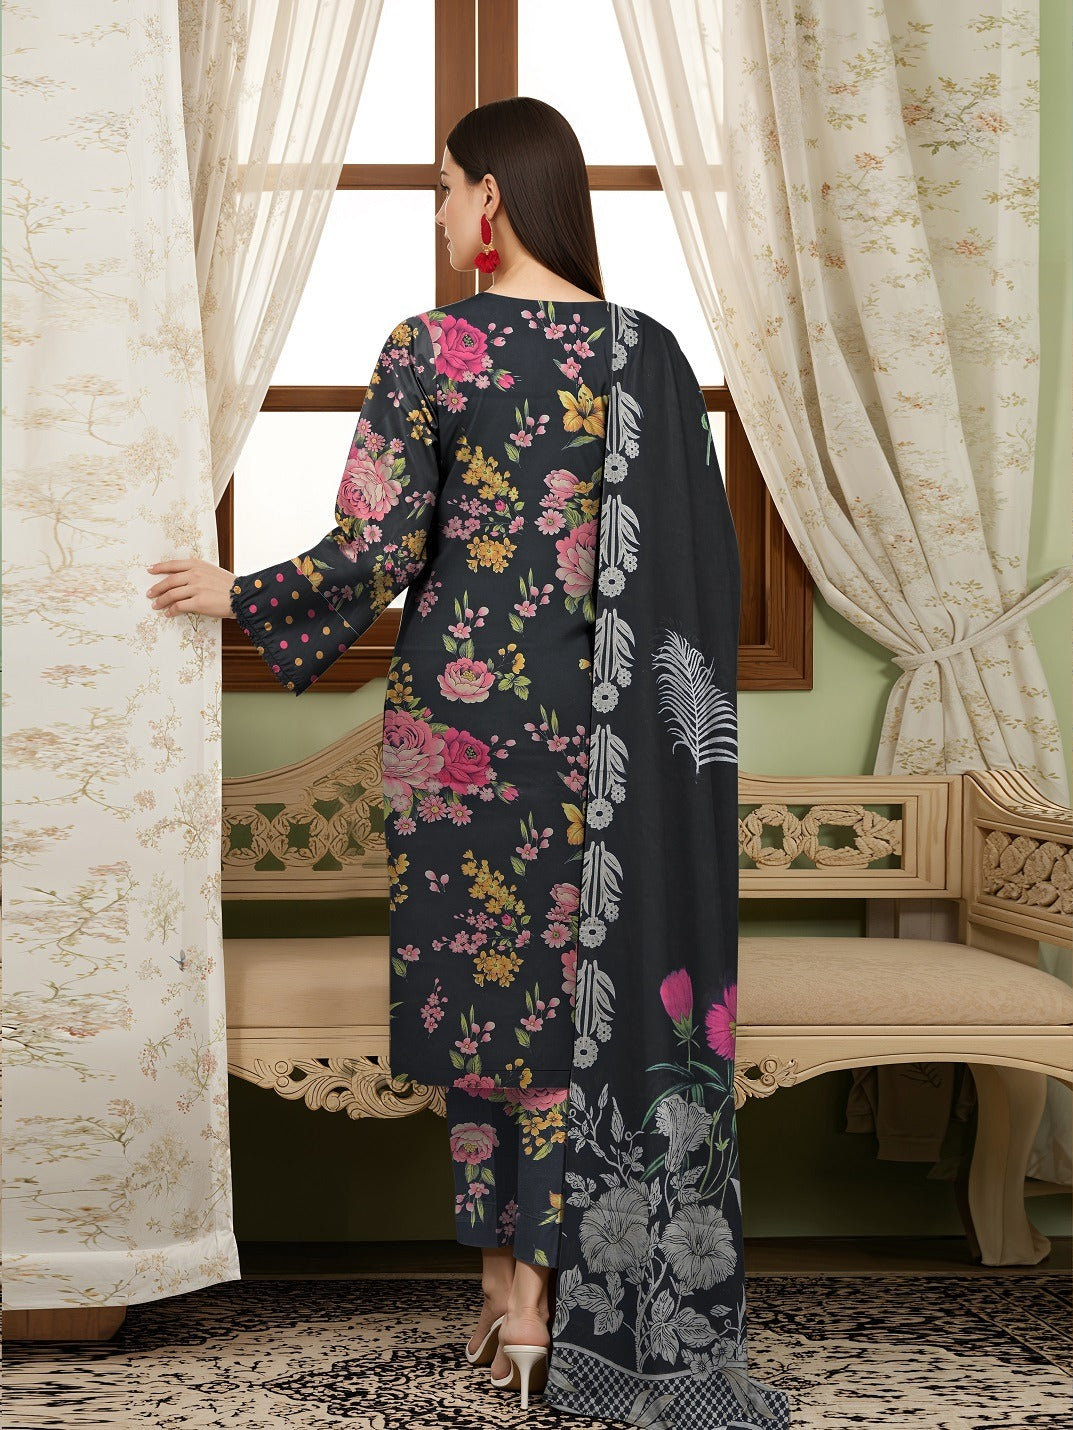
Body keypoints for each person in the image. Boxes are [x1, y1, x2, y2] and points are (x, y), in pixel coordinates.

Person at [147, 96, 788, 1428]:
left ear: (491, 196)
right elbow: (698, 568)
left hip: (455, 737)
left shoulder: (431, 348)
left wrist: (237, 594)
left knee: (481, 1013)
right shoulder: (647, 355)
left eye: (445, 188)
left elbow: (378, 549)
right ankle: (542, 1297)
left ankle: (508, 1293)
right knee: (567, 1011)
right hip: (600, 742)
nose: (440, 214)